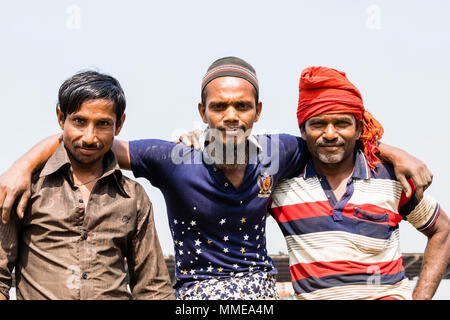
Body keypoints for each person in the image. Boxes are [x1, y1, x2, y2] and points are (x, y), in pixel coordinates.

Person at [0, 57, 433, 300]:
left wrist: (394, 152)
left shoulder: (280, 150)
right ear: (202, 110)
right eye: (219, 107)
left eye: (242, 107)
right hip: (195, 296)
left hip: (258, 292)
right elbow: (91, 138)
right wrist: (25, 163)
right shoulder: (172, 157)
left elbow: (333, 139)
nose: (230, 116)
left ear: (257, 112)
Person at [270, 66, 449, 300]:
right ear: (303, 131)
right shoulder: (281, 187)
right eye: (318, 124)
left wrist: (421, 297)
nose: (331, 133)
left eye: (342, 123)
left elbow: (442, 229)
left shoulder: (391, 177)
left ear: (358, 130)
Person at [0, 71, 174, 300]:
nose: (90, 137)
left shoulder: (133, 197)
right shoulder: (25, 187)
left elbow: (153, 289)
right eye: (79, 121)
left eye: (102, 124)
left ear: (119, 124)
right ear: (61, 118)